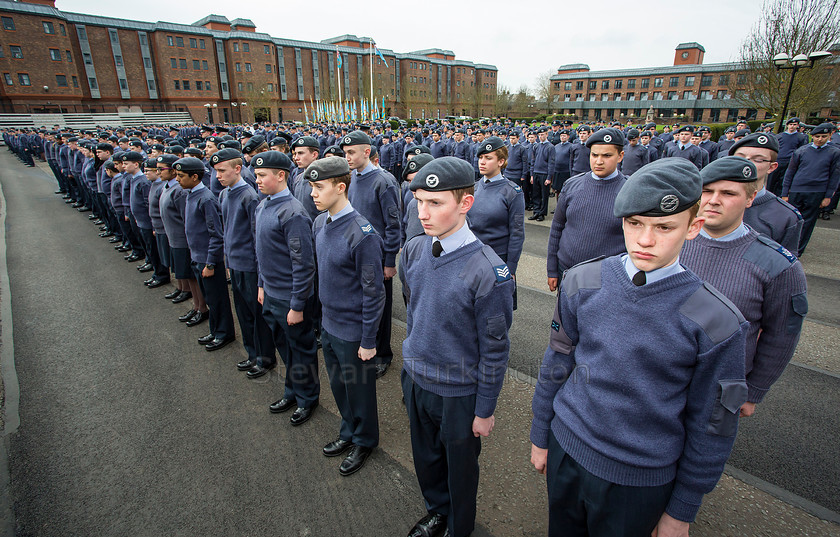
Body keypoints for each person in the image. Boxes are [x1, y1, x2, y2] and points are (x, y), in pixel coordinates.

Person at [531, 158, 748, 537]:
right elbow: (557, 360)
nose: (645, 240)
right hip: (567, 447)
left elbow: (711, 425)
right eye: (635, 224)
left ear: (693, 227)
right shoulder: (583, 280)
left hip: (639, 478)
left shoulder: (717, 321)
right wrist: (541, 433)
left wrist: (682, 509)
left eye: (664, 227)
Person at [400, 156, 514, 537]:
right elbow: (414, 307)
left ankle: (459, 527)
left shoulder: (488, 271)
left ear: (465, 204)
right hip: (418, 380)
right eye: (419, 201)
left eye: (436, 202)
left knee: (460, 469)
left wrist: (485, 409)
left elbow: (495, 349)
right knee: (427, 460)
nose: (424, 212)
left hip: (458, 393)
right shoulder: (415, 249)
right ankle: (437, 511)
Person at [681, 156, 807, 416]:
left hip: (719, 387)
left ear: (750, 199)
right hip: (661, 377)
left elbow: (782, 334)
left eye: (728, 193)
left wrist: (755, 390)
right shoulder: (672, 241)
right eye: (707, 191)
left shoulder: (777, 264)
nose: (714, 200)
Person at [307, 157, 386, 476]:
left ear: (341, 187)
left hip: (354, 331)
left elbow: (374, 293)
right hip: (329, 324)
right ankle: (348, 431)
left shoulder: (362, 234)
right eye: (312, 187)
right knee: (339, 385)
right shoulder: (319, 223)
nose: (313, 193)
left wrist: (369, 340)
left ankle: (365, 440)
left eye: (319, 187)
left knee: (359, 390)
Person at [252, 151, 320, 425]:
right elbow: (262, 253)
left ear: (280, 175)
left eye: (261, 175)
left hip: (290, 298)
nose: (256, 180)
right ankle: (292, 390)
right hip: (271, 293)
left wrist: (297, 305)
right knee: (285, 348)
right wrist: (261, 284)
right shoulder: (263, 205)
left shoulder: (292, 213)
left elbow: (304, 265)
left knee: (301, 350)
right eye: (256, 175)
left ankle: (307, 399)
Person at [340, 131, 401, 379]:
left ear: (367, 152)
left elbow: (394, 225)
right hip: (357, 252)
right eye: (345, 153)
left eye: (351, 152)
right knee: (363, 303)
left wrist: (389, 262)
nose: (348, 158)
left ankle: (383, 354)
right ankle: (366, 344)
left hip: (377, 257)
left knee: (381, 308)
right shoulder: (351, 179)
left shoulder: (383, 181)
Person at [212, 148, 276, 378]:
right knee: (243, 313)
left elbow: (254, 235)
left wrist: (258, 271)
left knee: (257, 316)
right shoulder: (223, 194)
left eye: (222, 170)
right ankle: (252, 353)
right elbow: (227, 231)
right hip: (236, 263)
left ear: (237, 169)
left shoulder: (248, 196)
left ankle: (265, 357)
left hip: (249, 264)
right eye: (216, 171)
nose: (218, 175)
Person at [546, 128, 628, 291]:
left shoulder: (629, 191)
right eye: (594, 155)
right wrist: (552, 269)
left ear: (620, 156)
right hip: (567, 270)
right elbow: (557, 228)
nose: (598, 161)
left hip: (606, 279)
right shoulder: (572, 185)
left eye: (607, 155)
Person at [174, 156, 235, 349]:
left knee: (217, 300)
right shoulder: (190, 194)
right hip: (197, 257)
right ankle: (215, 330)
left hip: (209, 261)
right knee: (209, 298)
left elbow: (216, 235)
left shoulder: (206, 198)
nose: (177, 179)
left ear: (194, 177)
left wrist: (210, 263)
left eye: (181, 176)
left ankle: (224, 333)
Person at [730, 132, 803, 255]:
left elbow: (784, 266)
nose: (747, 164)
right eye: (740, 157)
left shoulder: (785, 216)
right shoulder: (706, 203)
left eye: (758, 160)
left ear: (772, 167)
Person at [471, 136, 525, 299]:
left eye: (488, 158)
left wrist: (510, 268)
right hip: (473, 257)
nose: (482, 162)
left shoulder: (512, 192)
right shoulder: (473, 187)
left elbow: (517, 234)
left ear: (501, 161)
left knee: (495, 312)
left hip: (497, 258)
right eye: (480, 158)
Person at [781, 122, 840, 255]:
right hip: (797, 189)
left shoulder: (834, 153)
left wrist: (828, 196)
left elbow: (835, 176)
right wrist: (785, 192)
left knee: (807, 222)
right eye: (817, 136)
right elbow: (790, 172)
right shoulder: (801, 151)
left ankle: (797, 251)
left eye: (823, 136)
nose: (820, 139)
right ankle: (785, 247)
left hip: (816, 191)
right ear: (812, 136)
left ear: (829, 136)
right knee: (791, 219)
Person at [770, 118, 807, 196]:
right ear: (787, 125)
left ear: (797, 126)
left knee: (782, 182)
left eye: (794, 125)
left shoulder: (800, 137)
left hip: (789, 162)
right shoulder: (779, 136)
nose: (792, 126)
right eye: (790, 124)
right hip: (778, 160)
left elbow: (801, 150)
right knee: (771, 181)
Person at [528, 128, 554, 222]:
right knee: (536, 194)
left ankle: (542, 213)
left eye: (543, 134)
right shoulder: (536, 146)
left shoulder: (550, 147)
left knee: (544, 194)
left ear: (547, 135)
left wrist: (549, 177)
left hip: (544, 174)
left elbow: (551, 163)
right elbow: (533, 161)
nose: (541, 137)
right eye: (539, 135)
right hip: (536, 173)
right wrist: (531, 175)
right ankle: (536, 211)